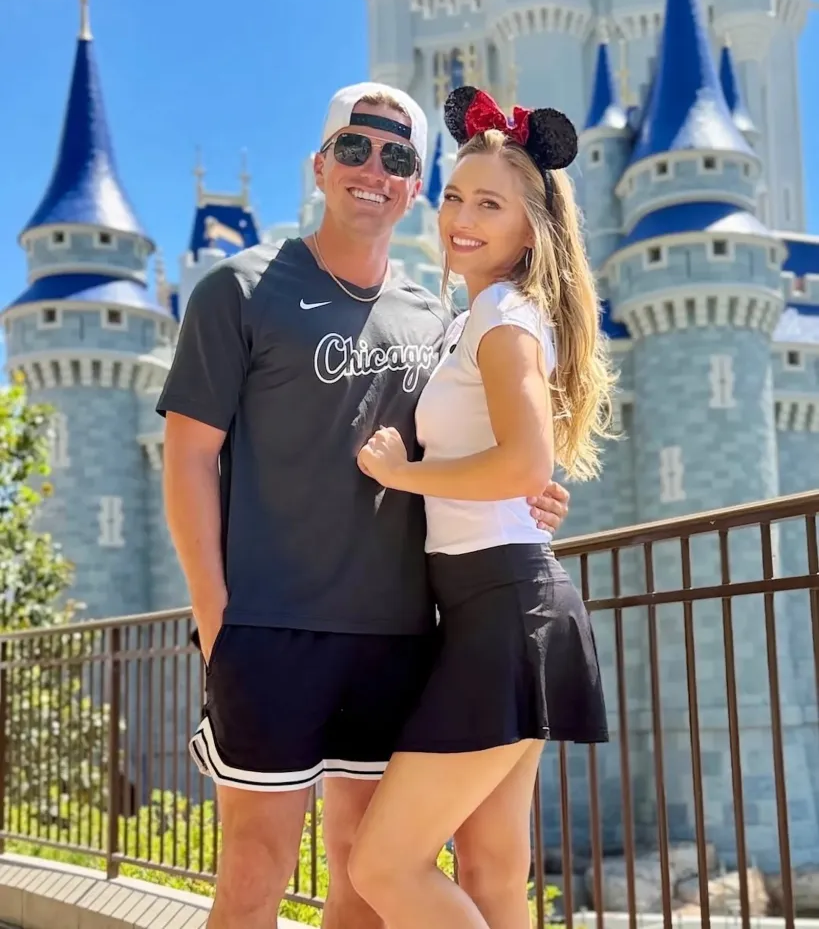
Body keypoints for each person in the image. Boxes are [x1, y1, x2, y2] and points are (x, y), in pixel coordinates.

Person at [157, 80, 572, 929]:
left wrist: (534, 490)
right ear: (319, 164)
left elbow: (480, 443)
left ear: (413, 184)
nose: (372, 170)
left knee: (364, 880)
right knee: (253, 872)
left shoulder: (435, 316)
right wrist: (215, 612)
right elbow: (189, 457)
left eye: (397, 158)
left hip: (398, 636)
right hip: (270, 629)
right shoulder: (236, 291)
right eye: (354, 147)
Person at [347, 85, 615, 929]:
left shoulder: (501, 313)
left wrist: (401, 475)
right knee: (494, 872)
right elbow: (518, 467)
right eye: (455, 196)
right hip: (502, 602)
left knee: (382, 866)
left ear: (529, 230)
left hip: (502, 608)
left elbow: (524, 460)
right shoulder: (486, 316)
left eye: (488, 204)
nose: (460, 217)